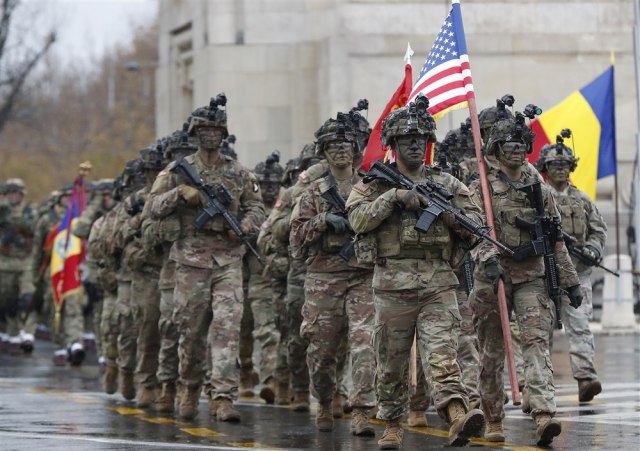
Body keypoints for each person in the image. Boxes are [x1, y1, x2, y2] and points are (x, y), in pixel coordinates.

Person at [347, 96, 485, 449]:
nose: (415, 145)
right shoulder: (375, 183)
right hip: (392, 286)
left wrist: (449, 215)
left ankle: (456, 414)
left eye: (421, 140)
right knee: (391, 363)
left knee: (442, 353)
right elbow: (357, 220)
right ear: (392, 144)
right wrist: (393, 198)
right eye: (407, 140)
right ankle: (393, 424)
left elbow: (476, 226)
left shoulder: (447, 184)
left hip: (438, 283)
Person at [148, 94, 265, 421]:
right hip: (190, 261)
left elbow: (257, 208)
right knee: (191, 330)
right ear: (195, 134)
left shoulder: (239, 172)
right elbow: (152, 208)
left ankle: (223, 396)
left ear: (223, 135)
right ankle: (188, 387)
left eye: (217, 130)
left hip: (228, 260)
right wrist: (179, 193)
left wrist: (244, 226)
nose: (211, 135)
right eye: (205, 130)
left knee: (227, 328)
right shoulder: (178, 171)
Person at [468, 115, 582, 446]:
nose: (517, 150)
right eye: (510, 145)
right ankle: (492, 417)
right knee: (491, 352)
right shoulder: (482, 187)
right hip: (493, 279)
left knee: (536, 345)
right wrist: (487, 259)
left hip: (532, 276)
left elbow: (555, 238)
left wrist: (570, 281)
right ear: (496, 148)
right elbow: (472, 230)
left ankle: (544, 414)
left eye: (521, 144)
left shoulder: (539, 189)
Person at [291, 111, 376, 436]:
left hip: (361, 276)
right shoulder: (313, 191)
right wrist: (322, 221)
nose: (340, 150)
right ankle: (325, 401)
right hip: (323, 278)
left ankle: (362, 410)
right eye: (332, 145)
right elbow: (295, 237)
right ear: (323, 152)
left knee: (365, 344)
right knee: (322, 351)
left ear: (355, 149)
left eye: (345, 144)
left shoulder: (370, 187)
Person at [535, 134, 606, 403]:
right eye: (554, 165)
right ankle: (538, 386)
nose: (560, 169)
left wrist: (593, 249)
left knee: (580, 326)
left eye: (565, 164)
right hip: (543, 274)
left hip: (577, 274)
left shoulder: (582, 200)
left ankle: (585, 378)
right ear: (545, 168)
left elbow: (598, 230)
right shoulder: (537, 198)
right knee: (541, 331)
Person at [238, 151, 285, 403]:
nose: (270, 189)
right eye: (265, 184)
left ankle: (274, 380)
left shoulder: (286, 208)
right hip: (252, 280)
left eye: (274, 184)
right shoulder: (249, 211)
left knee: (273, 333)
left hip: (278, 281)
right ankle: (248, 372)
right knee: (247, 331)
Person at [0, 179, 35, 354]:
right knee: (7, 302)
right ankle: (11, 335)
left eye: (15, 193)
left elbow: (34, 229)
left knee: (27, 298)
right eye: (9, 193)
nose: (12, 196)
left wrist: (16, 219)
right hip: (4, 263)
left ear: (22, 194)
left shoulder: (30, 211)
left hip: (25, 262)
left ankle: (27, 334)